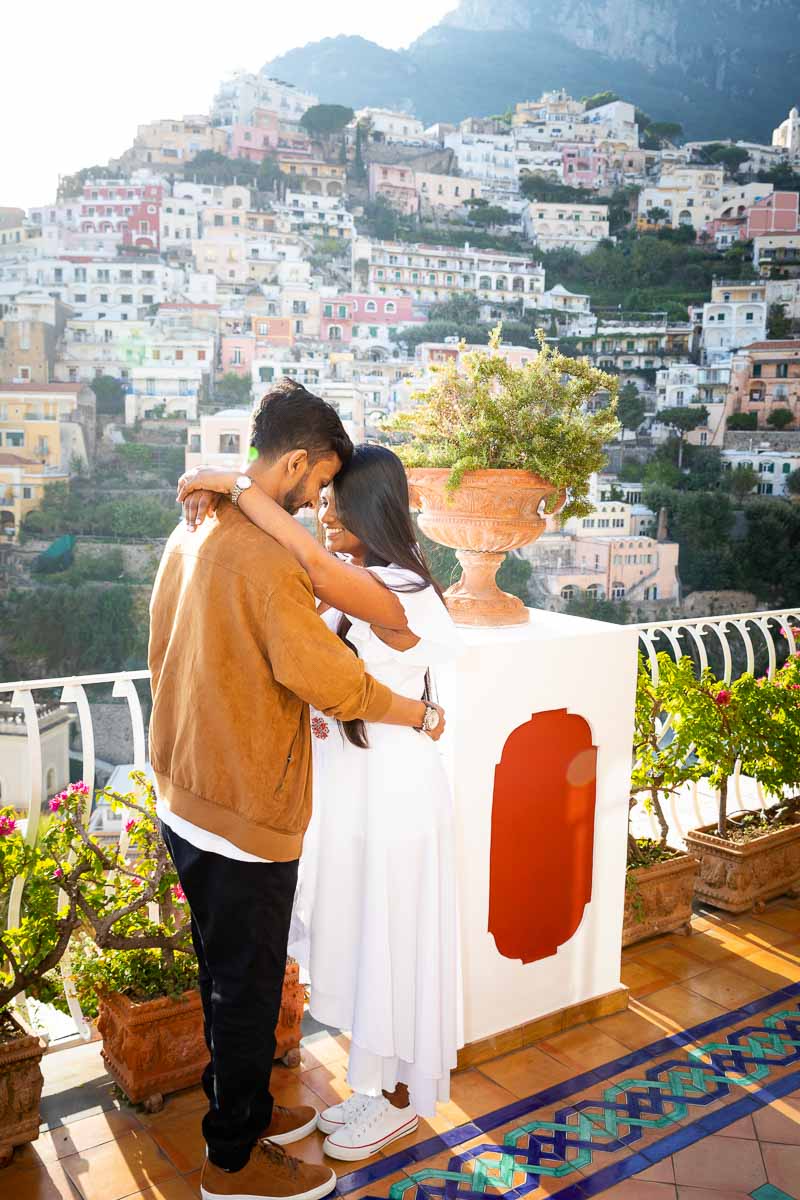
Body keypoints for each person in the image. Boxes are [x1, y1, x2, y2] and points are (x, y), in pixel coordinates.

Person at [150, 382, 445, 1200]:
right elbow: (334, 683)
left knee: (222, 980)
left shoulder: (193, 527)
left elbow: (163, 646)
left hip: (183, 790)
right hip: (243, 813)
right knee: (245, 995)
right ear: (293, 462)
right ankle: (232, 1163)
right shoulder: (264, 552)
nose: (320, 504)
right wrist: (418, 714)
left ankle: (241, 1112)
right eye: (317, 487)